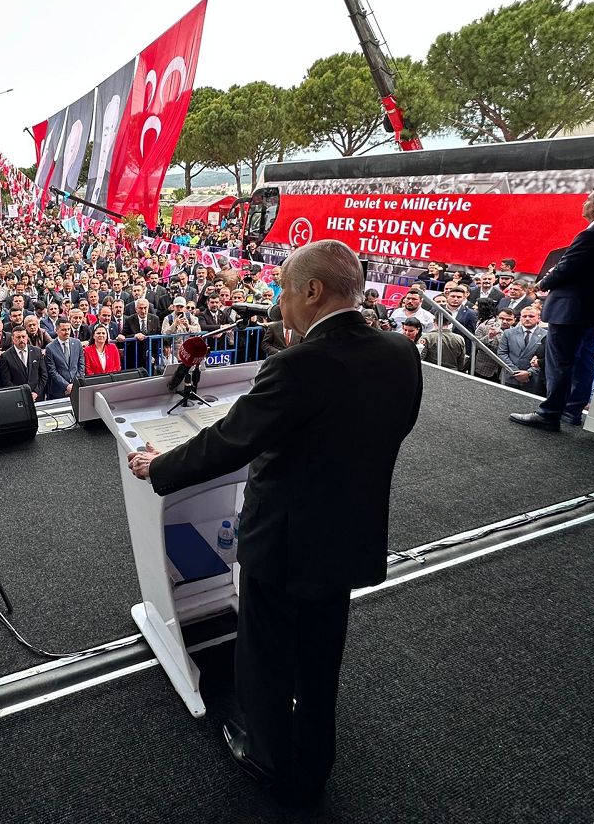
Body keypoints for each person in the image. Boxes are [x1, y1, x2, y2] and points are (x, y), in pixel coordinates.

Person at [126, 241, 422, 809]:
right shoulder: (397, 351)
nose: (279, 305)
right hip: (348, 534)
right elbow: (390, 426)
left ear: (312, 291)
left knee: (263, 655)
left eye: (284, 291)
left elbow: (230, 441)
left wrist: (157, 465)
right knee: (319, 654)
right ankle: (315, 760)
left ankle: (266, 754)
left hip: (283, 540)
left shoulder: (299, 364)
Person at [512, 183, 594, 431]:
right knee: (584, 360)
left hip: (571, 310)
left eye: (588, 199)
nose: (584, 203)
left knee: (561, 362)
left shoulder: (593, 233)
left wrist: (543, 283)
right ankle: (572, 411)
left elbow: (567, 267)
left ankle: (549, 413)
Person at [498, 306, 547, 392]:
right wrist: (515, 372)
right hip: (510, 377)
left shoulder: (546, 335)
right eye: (524, 316)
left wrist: (529, 373)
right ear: (520, 318)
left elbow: (547, 358)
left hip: (533, 379)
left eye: (531, 316)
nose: (527, 319)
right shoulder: (508, 333)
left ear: (538, 318)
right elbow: (502, 353)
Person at [0, 326, 47, 401]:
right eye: (18, 337)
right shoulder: (5, 356)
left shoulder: (37, 351)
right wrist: (22, 394)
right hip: (18, 398)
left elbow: (43, 375)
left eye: (23, 336)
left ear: (27, 337)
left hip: (38, 396)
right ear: (13, 339)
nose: (21, 339)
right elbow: (7, 381)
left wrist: (36, 392)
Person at [44, 319, 84, 399]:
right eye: (63, 330)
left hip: (76, 387)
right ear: (56, 330)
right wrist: (67, 386)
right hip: (59, 390)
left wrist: (75, 384)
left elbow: (81, 365)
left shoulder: (77, 343)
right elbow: (52, 371)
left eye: (68, 329)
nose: (67, 332)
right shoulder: (50, 348)